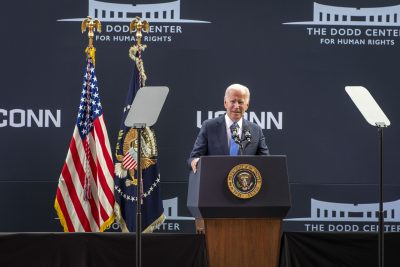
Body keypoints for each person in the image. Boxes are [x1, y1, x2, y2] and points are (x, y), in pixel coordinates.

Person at [188, 83, 270, 173]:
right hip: (214, 182)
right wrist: (194, 161)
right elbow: (193, 158)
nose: (236, 106)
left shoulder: (256, 130)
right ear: (225, 103)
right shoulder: (209, 126)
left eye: (240, 102)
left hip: (244, 184)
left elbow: (266, 162)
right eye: (233, 101)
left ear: (247, 105)